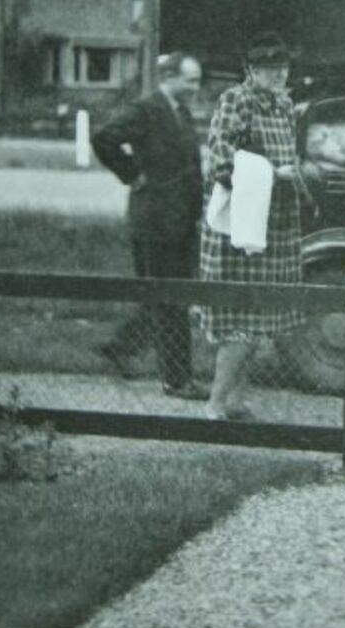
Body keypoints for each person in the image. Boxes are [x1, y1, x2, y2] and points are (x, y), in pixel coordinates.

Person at [199, 31, 307, 420]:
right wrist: (272, 173)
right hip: (241, 224)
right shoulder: (236, 100)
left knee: (261, 319)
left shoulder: (284, 104)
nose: (279, 74)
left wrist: (296, 174)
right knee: (240, 322)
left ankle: (236, 400)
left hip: (276, 223)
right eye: (269, 67)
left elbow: (287, 152)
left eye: (283, 66)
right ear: (251, 69)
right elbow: (221, 161)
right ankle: (215, 403)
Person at [91, 52, 206, 399]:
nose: (197, 87)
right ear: (169, 77)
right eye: (191, 80)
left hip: (180, 221)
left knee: (163, 297)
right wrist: (132, 174)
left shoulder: (181, 112)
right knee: (170, 301)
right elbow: (103, 138)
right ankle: (177, 380)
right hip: (154, 221)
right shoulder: (146, 109)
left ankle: (120, 349)